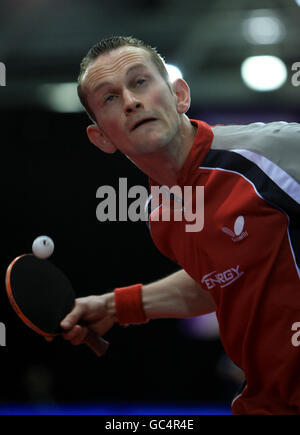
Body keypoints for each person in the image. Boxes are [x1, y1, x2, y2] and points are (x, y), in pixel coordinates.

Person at [54, 36, 300, 415]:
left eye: (139, 82)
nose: (131, 101)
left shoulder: (273, 152)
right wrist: (114, 306)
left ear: (180, 96)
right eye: (110, 98)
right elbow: (223, 278)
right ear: (101, 137)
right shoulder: (160, 215)